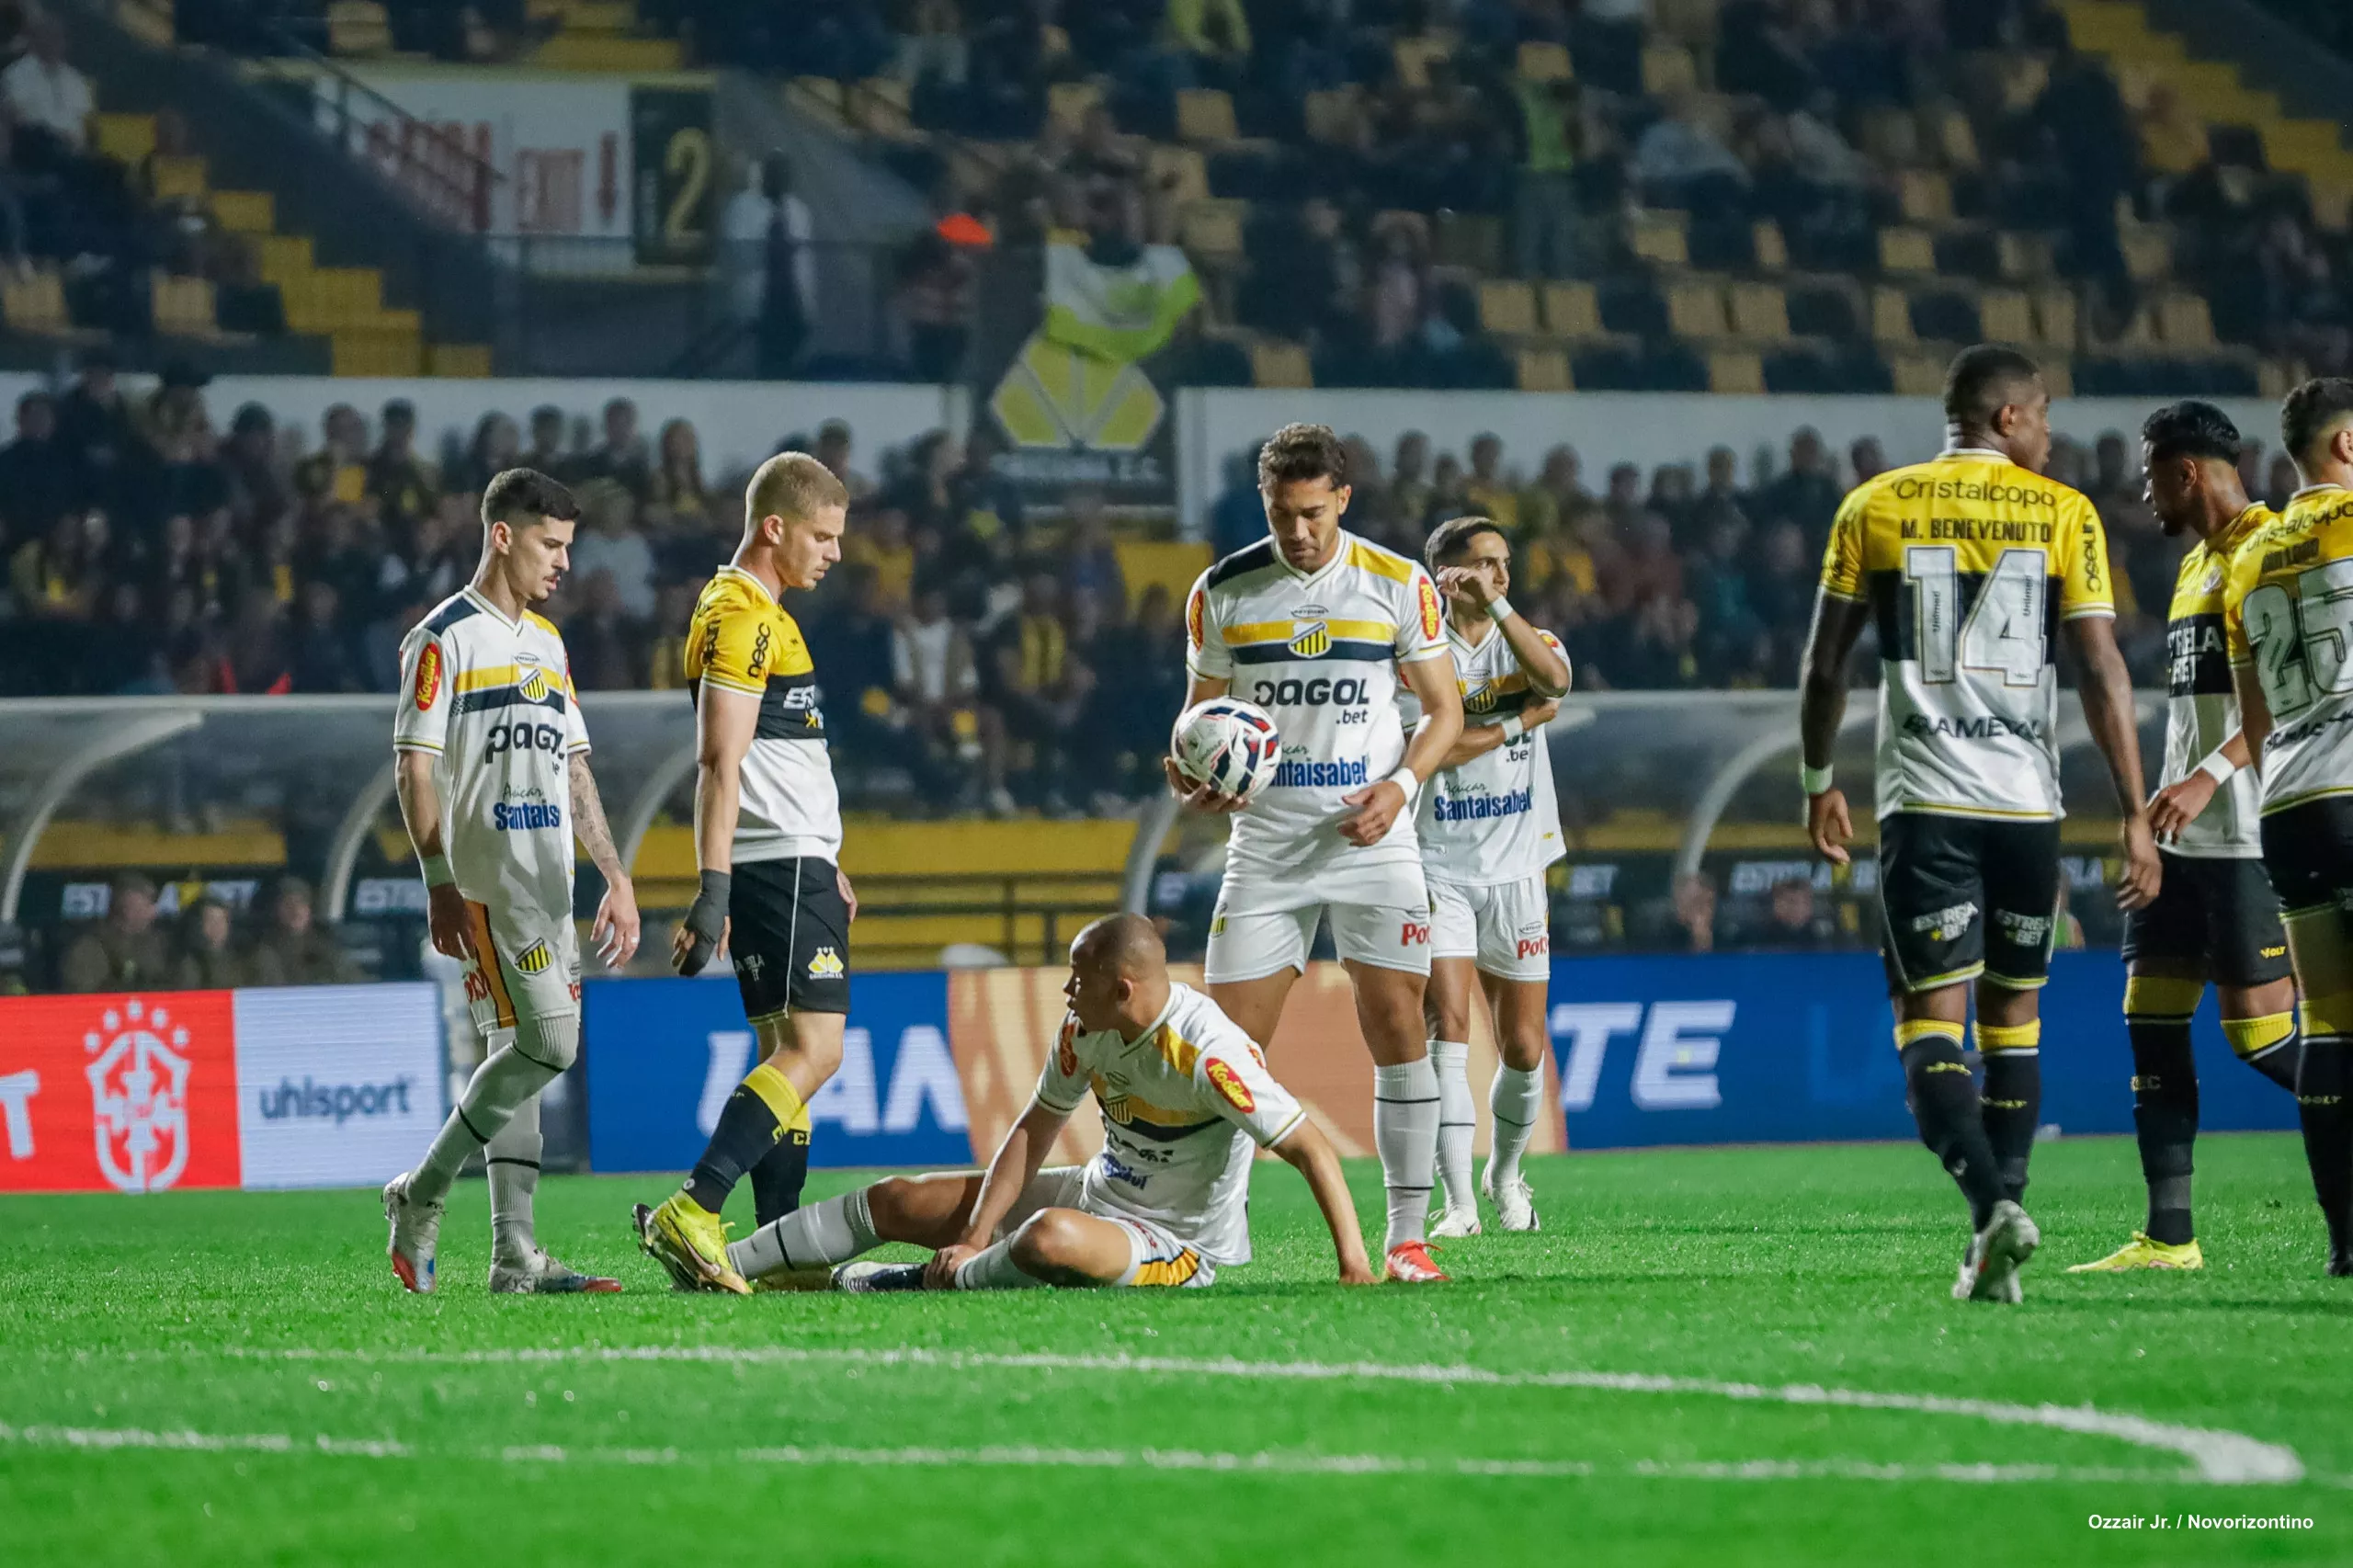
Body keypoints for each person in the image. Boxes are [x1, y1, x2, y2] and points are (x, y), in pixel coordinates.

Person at [1801, 345, 2159, 1303]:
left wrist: (1816, 777)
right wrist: (2133, 811)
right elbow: (2100, 670)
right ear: (2007, 418)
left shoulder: (1873, 505)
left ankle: (1991, 1206)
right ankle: (1998, 1236)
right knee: (2014, 1016)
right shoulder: (2063, 512)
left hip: (1926, 802)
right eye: (2041, 413)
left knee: (1926, 1021)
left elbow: (1826, 665)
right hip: (2026, 806)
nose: (2048, 431)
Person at [707, 915, 1375, 1292]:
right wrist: (972, 1232)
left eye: (1079, 978)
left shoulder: (1208, 1053)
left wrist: (1354, 1265)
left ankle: (898, 1282)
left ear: (1123, 988)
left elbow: (1309, 1146)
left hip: (1178, 1242)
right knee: (897, 1199)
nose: (1066, 990)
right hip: (1098, 1192)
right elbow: (1033, 1130)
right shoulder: (1085, 1031)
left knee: (1048, 1238)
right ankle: (720, 1266)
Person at [1173, 423, 1465, 1283]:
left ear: (1342, 498)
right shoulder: (1223, 590)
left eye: (1310, 513)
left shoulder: (1398, 584)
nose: (1296, 532)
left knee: (1399, 1028)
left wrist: (1402, 788)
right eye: (1279, 513)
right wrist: (1189, 773)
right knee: (1224, 1050)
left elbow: (1443, 711)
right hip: (1264, 844)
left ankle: (1407, 1240)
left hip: (1373, 838)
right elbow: (1197, 722)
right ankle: (1208, 1237)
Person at [381, 468, 642, 1295]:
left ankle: (513, 1255)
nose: (564, 563)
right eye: (551, 544)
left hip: (549, 887)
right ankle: (420, 1192)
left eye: (570, 547)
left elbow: (574, 767)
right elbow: (413, 769)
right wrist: (438, 880)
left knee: (516, 1051)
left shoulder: (549, 644)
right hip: (486, 887)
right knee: (551, 1045)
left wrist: (614, 873)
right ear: (503, 535)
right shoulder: (444, 637)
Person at [2075, 403, 2302, 1274]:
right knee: (2151, 1019)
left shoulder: (2270, 550)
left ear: (2185, 472)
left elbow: (2284, 692)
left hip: (2246, 837)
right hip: (2182, 845)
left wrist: (2210, 773)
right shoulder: (2194, 565)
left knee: (2260, 1038)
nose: (2141, 490)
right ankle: (2170, 1236)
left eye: (2148, 471)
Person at [635, 452, 855, 1294]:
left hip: (798, 861)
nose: (833, 553)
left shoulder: (753, 612)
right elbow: (719, 762)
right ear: (776, 528)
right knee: (815, 1049)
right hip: (777, 865)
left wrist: (829, 857)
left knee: (782, 1048)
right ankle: (698, 1205)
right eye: (823, 536)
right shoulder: (742, 616)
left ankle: (773, 1246)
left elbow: (772, 757)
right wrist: (715, 887)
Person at [2222, 377, 2353, 1276]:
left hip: (2293, 806)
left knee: (2331, 1030)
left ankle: (2346, 1240)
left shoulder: (2249, 559)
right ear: (2345, 448)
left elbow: (2253, 715)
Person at [1407, 517, 1571, 1237]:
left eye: (1505, 563)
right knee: (1448, 1026)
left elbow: (1558, 681)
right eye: (1485, 565)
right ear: (1448, 575)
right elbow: (1429, 754)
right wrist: (1514, 725)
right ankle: (1460, 1207)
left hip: (1517, 867)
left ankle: (1505, 1176)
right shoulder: (1413, 654)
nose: (1502, 576)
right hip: (1437, 864)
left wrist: (1500, 608)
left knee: (1526, 1047)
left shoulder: (1524, 637)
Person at [59, 871, 172, 992]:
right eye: (147, 905)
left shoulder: (162, 947)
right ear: (126, 911)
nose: (153, 913)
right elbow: (80, 1001)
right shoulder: (87, 950)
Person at [249, 876, 361, 986]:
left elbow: (356, 982)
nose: (296, 910)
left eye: (301, 903)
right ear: (275, 910)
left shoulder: (325, 948)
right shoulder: (261, 953)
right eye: (288, 904)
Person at [173, 894, 250, 989]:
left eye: (221, 920)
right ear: (199, 925)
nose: (216, 926)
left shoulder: (243, 960)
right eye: (210, 920)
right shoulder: (189, 964)